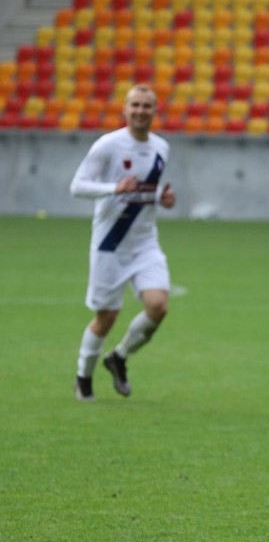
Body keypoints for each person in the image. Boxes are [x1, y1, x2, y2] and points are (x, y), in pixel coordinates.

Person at [70, 83, 176, 401]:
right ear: (125, 109)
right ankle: (83, 378)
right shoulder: (108, 145)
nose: (141, 111)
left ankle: (119, 357)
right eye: (135, 105)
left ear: (155, 111)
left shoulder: (161, 147)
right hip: (110, 243)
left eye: (147, 106)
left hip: (144, 243)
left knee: (158, 306)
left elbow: (143, 188)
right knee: (107, 317)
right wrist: (112, 189)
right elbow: (77, 186)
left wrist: (162, 197)